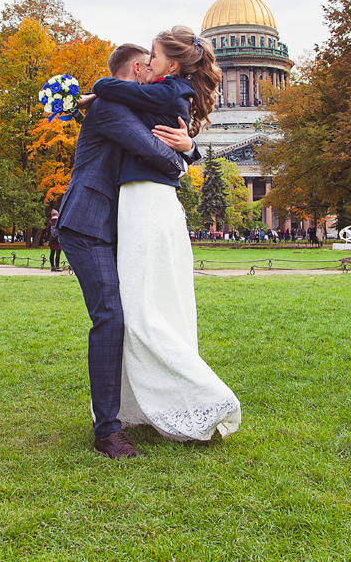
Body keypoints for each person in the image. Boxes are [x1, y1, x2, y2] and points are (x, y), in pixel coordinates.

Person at [88, 26, 242, 443]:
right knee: (156, 303)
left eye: (153, 57)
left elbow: (112, 90)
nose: (147, 65)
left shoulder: (163, 92)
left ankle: (207, 396)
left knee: (141, 310)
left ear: (171, 64)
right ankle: (145, 404)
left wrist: (185, 152)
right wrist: (188, 147)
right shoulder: (167, 94)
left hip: (146, 203)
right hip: (150, 204)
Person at [57, 44, 199, 459]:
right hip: (87, 224)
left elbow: (174, 136)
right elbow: (154, 150)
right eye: (150, 66)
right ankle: (106, 431)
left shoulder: (119, 105)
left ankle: (138, 405)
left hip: (113, 226)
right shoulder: (109, 110)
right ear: (137, 69)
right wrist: (182, 162)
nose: (155, 73)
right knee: (110, 316)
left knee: (130, 314)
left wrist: (189, 145)